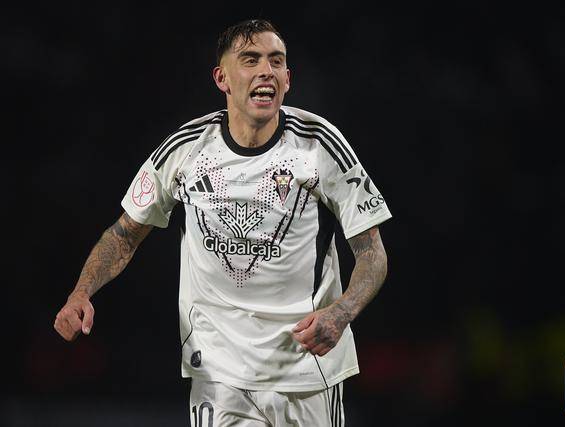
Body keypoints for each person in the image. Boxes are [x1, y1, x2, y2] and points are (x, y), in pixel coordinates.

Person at [54, 19, 391, 426]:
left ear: (288, 79)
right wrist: (81, 292)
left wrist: (342, 313)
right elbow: (124, 235)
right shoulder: (186, 149)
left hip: (306, 371)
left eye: (276, 61)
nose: (266, 70)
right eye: (250, 60)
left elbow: (372, 253)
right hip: (218, 374)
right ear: (222, 78)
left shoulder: (320, 145)